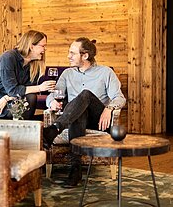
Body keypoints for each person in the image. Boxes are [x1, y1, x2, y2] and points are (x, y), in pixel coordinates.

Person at [44, 37, 126, 187]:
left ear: (85, 56)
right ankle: (75, 170)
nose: (69, 56)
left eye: (72, 53)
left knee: (85, 94)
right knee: (78, 113)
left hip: (99, 120)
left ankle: (54, 129)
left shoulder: (105, 72)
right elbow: (53, 94)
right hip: (75, 119)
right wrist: (52, 102)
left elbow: (120, 98)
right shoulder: (67, 74)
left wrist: (109, 108)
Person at [0, 30, 56, 119]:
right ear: (31, 46)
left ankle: (25, 128)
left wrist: (7, 98)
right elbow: (13, 90)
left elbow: (27, 91)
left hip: (11, 98)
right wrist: (40, 87)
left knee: (31, 97)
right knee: (19, 109)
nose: (44, 49)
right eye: (43, 46)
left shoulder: (34, 65)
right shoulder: (8, 58)